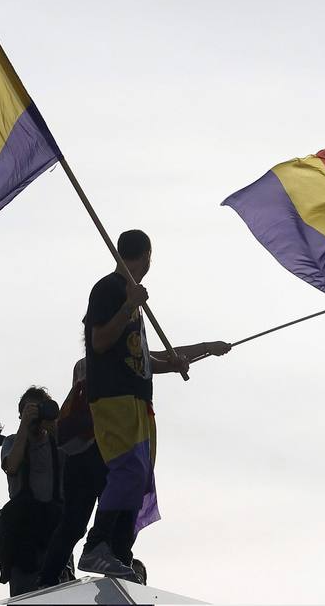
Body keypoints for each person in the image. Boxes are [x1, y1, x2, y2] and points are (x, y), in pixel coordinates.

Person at [74, 228, 231, 580]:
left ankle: (118, 551)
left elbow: (140, 358)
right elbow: (99, 342)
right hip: (114, 398)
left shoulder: (129, 297)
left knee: (139, 476)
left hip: (135, 399)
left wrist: (188, 355)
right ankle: (97, 546)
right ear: (146, 255)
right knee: (128, 471)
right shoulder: (110, 289)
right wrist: (129, 305)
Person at [0, 385, 70, 597]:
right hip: (24, 535)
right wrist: (25, 426)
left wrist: (53, 423)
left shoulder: (58, 444)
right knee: (26, 593)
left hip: (54, 532)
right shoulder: (12, 442)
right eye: (29, 410)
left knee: (60, 592)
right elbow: (12, 466)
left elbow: (78, 456)